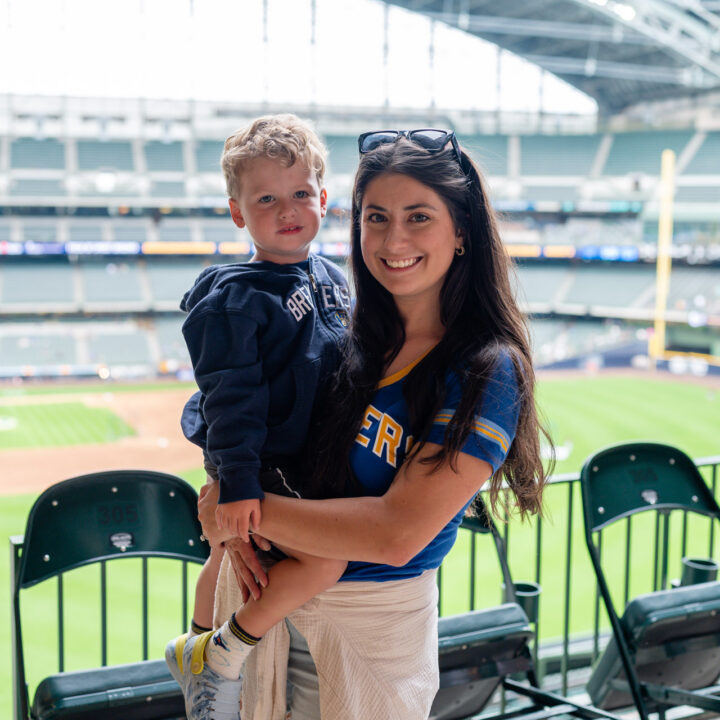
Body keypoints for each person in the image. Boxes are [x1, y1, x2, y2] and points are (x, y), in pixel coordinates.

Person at [198, 128, 552, 719]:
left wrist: (236, 510)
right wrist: (231, 492)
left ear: (461, 231)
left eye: (419, 217)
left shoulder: (486, 369)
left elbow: (397, 534)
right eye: (376, 217)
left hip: (369, 642)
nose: (394, 239)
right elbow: (241, 410)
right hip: (269, 620)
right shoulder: (347, 337)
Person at [165, 114, 351, 720]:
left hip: (303, 457)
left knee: (223, 559)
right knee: (327, 555)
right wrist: (237, 483)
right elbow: (230, 397)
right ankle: (215, 655)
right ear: (238, 214)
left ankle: (194, 652)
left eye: (300, 193)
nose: (288, 208)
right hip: (266, 462)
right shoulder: (234, 296)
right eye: (266, 198)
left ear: (323, 198)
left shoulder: (332, 278)